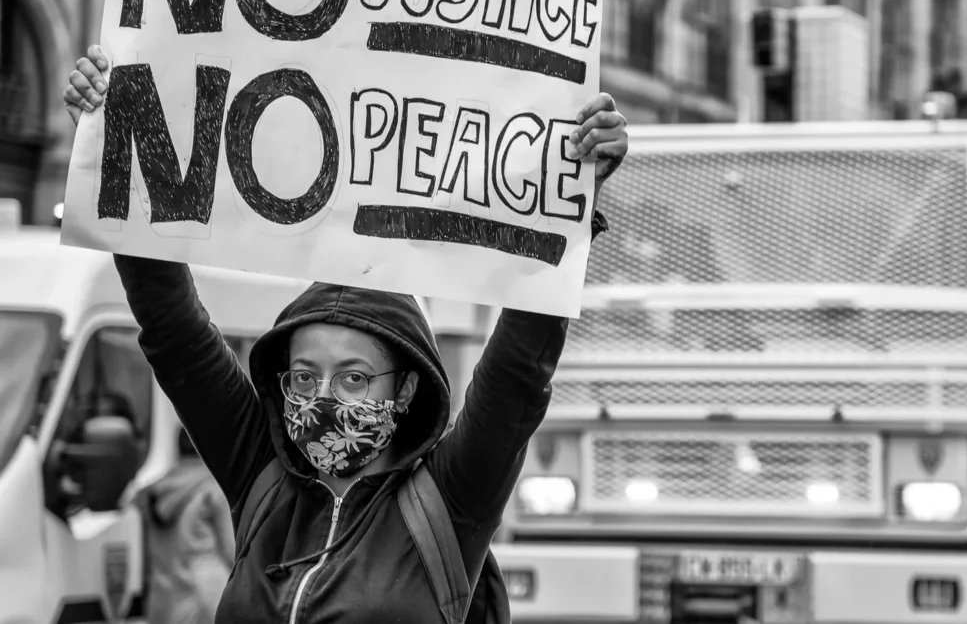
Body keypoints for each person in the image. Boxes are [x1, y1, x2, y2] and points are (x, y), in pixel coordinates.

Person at [63, 45, 630, 622]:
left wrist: (571, 199)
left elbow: (516, 377)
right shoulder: (258, 477)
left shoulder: (449, 500)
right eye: (305, 377)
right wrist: (119, 144)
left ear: (405, 391)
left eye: (354, 379)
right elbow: (172, 328)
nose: (323, 398)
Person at [135, 428, 234, 624]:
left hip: (162, 603)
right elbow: (234, 554)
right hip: (205, 604)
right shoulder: (213, 491)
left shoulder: (155, 492)